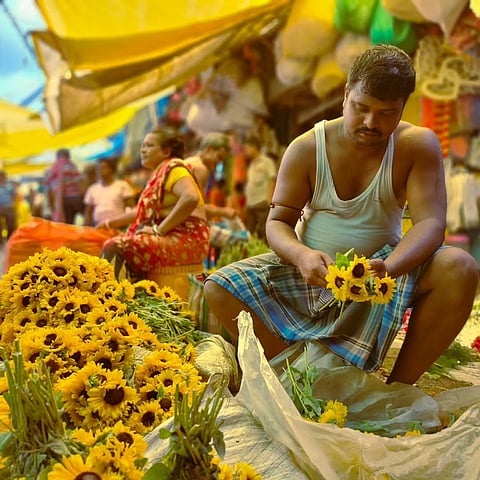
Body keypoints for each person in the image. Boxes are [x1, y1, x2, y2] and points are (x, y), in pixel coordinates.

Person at [204, 44, 479, 386]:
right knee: (218, 287)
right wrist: (302, 256)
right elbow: (277, 224)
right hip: (312, 277)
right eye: (361, 108)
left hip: (381, 278)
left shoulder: (417, 145)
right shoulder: (307, 148)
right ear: (346, 95)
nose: (370, 123)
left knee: (460, 267)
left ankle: (397, 388)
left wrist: (389, 268)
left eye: (386, 113)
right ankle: (296, 377)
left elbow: (431, 224)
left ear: (403, 108)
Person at [100, 128, 209, 280]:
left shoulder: (174, 166)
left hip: (188, 239)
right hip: (173, 237)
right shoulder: (160, 172)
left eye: (149, 146)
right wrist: (108, 223)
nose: (143, 151)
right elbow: (139, 211)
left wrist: (159, 230)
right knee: (111, 242)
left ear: (166, 151)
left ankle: (116, 300)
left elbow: (190, 197)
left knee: (115, 247)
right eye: (142, 146)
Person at [84, 157, 136, 227]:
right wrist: (87, 226)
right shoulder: (92, 189)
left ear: (111, 169)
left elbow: (132, 207)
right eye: (98, 168)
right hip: (98, 227)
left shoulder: (122, 185)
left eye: (103, 168)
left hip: (118, 226)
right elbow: (88, 212)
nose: (100, 170)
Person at [243, 135, 277, 241]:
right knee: (250, 234)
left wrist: (269, 200)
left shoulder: (267, 162)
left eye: (247, 148)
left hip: (262, 203)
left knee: (264, 233)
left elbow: (273, 179)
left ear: (254, 147)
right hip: (251, 204)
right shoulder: (251, 165)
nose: (246, 151)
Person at [44, 148, 84, 224]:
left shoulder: (52, 169)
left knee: (68, 223)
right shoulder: (70, 165)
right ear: (68, 156)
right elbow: (79, 181)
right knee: (87, 217)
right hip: (75, 198)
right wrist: (83, 195)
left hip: (61, 201)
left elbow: (48, 190)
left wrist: (53, 207)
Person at [0, 171, 17, 239]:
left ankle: (9, 239)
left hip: (9, 206)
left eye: (3, 176)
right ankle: (0, 241)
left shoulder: (10, 186)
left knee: (11, 225)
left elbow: (14, 196)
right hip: (0, 207)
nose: (2, 178)